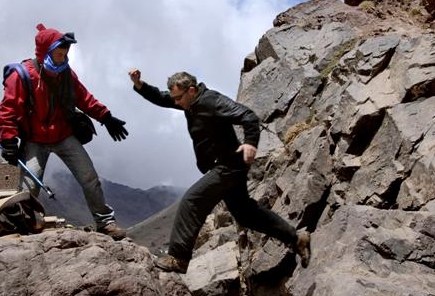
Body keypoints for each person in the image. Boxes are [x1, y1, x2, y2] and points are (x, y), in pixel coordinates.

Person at [128, 69, 310, 273]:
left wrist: (250, 143)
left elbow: (248, 116)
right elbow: (162, 98)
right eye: (175, 98)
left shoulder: (211, 101)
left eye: (179, 98)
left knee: (192, 200)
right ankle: (297, 238)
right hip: (224, 166)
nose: (176, 102)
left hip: (229, 165)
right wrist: (139, 84)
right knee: (245, 214)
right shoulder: (188, 103)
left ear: (192, 90)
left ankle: (178, 258)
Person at [0, 23, 128, 240]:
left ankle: (105, 223)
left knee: (89, 177)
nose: (63, 59)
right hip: (35, 139)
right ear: (44, 52)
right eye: (58, 54)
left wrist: (106, 117)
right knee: (28, 188)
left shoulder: (65, 73)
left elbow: (84, 98)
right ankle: (22, 226)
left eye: (65, 54)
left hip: (64, 135)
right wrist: (8, 139)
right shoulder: (22, 76)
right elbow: (8, 109)